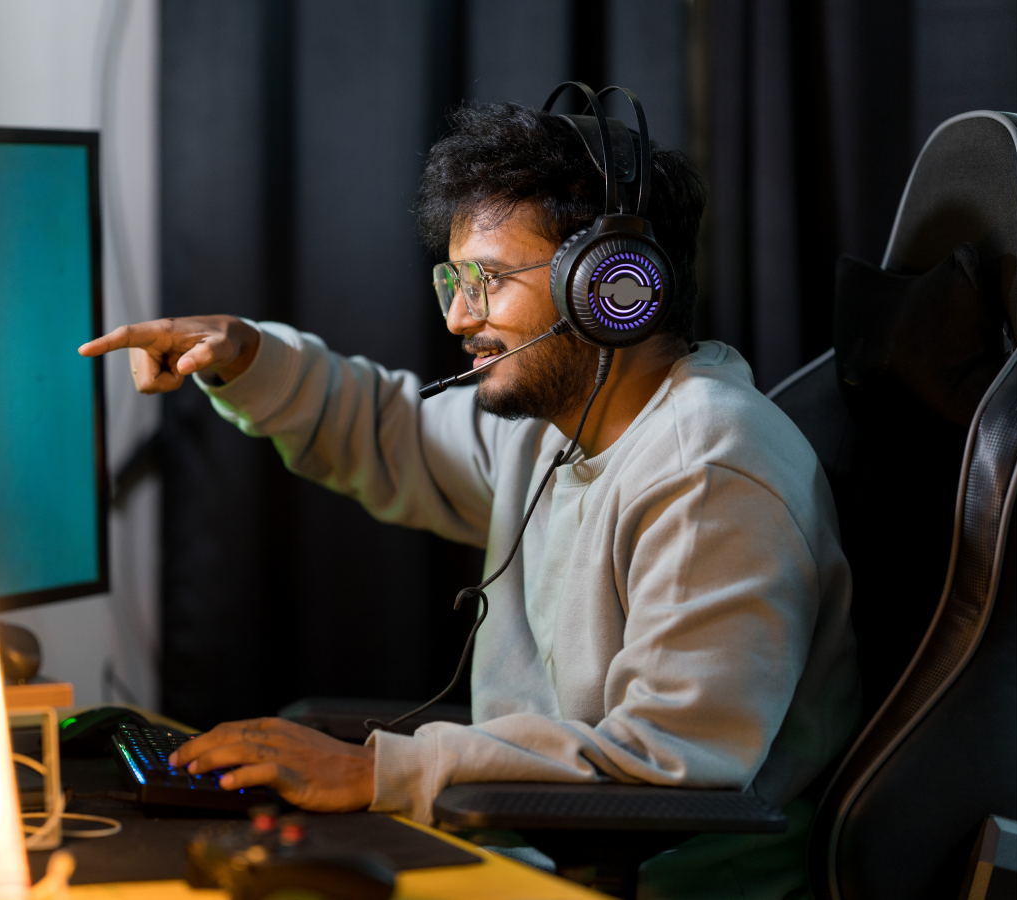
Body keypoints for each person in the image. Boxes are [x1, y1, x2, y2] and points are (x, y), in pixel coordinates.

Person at [80, 101, 860, 898]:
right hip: (537, 854)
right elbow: (395, 436)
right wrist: (246, 355)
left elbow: (668, 762)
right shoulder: (557, 425)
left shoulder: (708, 468)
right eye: (453, 281)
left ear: (611, 284)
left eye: (487, 281)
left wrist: (381, 769)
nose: (459, 318)